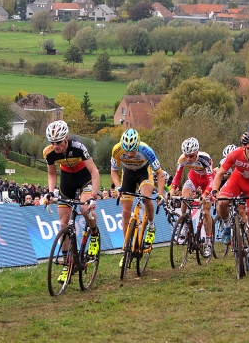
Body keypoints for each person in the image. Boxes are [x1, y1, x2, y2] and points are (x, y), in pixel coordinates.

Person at [43, 120, 100, 283]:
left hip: (84, 178)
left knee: (83, 209)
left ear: (66, 138)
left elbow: (94, 171)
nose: (56, 146)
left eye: (59, 142)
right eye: (52, 142)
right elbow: (52, 174)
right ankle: (67, 264)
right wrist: (50, 192)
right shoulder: (49, 153)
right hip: (67, 179)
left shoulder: (78, 146)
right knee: (63, 224)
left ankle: (94, 233)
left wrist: (93, 195)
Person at [211, 131, 249, 271]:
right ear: (243, 147)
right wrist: (214, 190)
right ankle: (227, 227)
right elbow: (219, 174)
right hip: (236, 181)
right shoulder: (234, 155)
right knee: (222, 202)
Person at [111, 128, 167, 266]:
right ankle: (127, 249)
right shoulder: (117, 150)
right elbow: (114, 171)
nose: (129, 154)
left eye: (133, 151)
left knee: (146, 197)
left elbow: (160, 174)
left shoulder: (147, 150)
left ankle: (151, 225)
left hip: (144, 172)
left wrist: (160, 194)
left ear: (138, 145)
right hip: (128, 174)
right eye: (127, 151)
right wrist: (118, 186)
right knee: (125, 212)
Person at [170, 137, 215, 258]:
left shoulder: (205, 159)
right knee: (185, 195)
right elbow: (177, 176)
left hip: (207, 182)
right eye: (187, 156)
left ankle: (208, 241)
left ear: (197, 152)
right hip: (194, 179)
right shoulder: (182, 159)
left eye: (192, 156)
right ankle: (185, 221)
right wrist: (173, 189)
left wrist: (205, 194)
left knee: (206, 212)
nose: (189, 159)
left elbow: (212, 180)